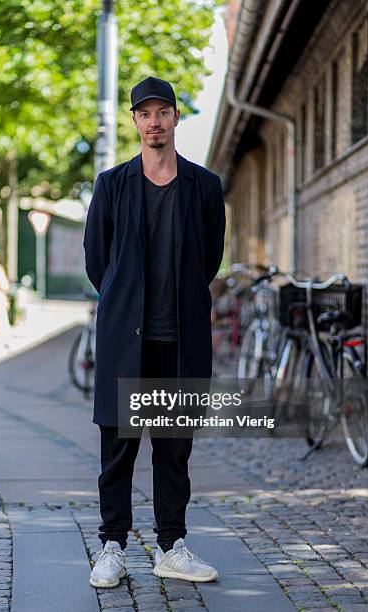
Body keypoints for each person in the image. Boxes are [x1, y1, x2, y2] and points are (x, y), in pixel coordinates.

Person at [83, 76, 226, 588]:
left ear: (176, 117)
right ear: (135, 122)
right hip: (127, 339)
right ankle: (112, 547)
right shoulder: (112, 184)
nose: (154, 122)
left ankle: (171, 546)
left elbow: (209, 258)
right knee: (118, 448)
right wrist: (127, 301)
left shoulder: (204, 186)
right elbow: (99, 261)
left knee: (173, 449)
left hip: (178, 340)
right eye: (144, 114)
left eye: (162, 112)